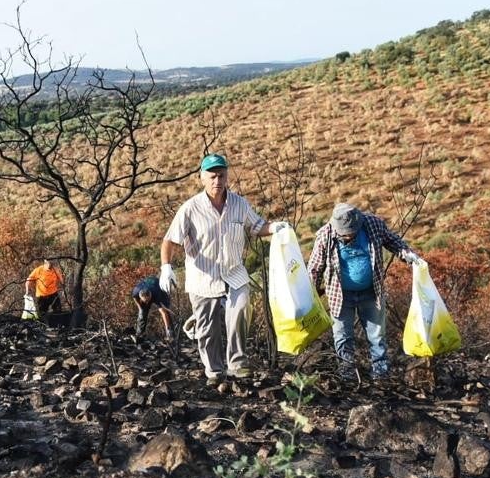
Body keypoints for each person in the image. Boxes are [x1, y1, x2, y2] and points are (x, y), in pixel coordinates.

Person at [160, 153, 287, 385]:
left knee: (240, 310)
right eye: (212, 176)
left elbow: (257, 226)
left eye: (221, 175)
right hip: (203, 276)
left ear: (227, 176)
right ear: (202, 178)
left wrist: (276, 227)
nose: (217, 181)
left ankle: (238, 364)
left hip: (234, 273)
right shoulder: (190, 209)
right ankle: (214, 371)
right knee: (208, 328)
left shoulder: (239, 204)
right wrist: (166, 267)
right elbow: (170, 240)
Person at [308, 202, 421, 381]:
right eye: (343, 234)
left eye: (350, 233)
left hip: (371, 292)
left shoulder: (373, 225)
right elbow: (315, 267)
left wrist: (407, 254)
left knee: (377, 337)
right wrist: (310, 294)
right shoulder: (325, 235)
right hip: (340, 295)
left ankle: (381, 375)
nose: (347, 236)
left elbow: (393, 241)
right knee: (342, 337)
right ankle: (348, 376)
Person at [130, 275, 173, 339]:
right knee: (142, 312)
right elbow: (134, 297)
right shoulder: (136, 290)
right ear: (140, 297)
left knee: (165, 312)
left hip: (159, 288)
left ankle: (170, 333)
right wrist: (140, 307)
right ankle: (140, 334)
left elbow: (163, 312)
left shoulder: (157, 294)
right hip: (148, 286)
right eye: (145, 301)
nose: (147, 303)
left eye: (148, 300)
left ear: (150, 296)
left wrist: (167, 330)